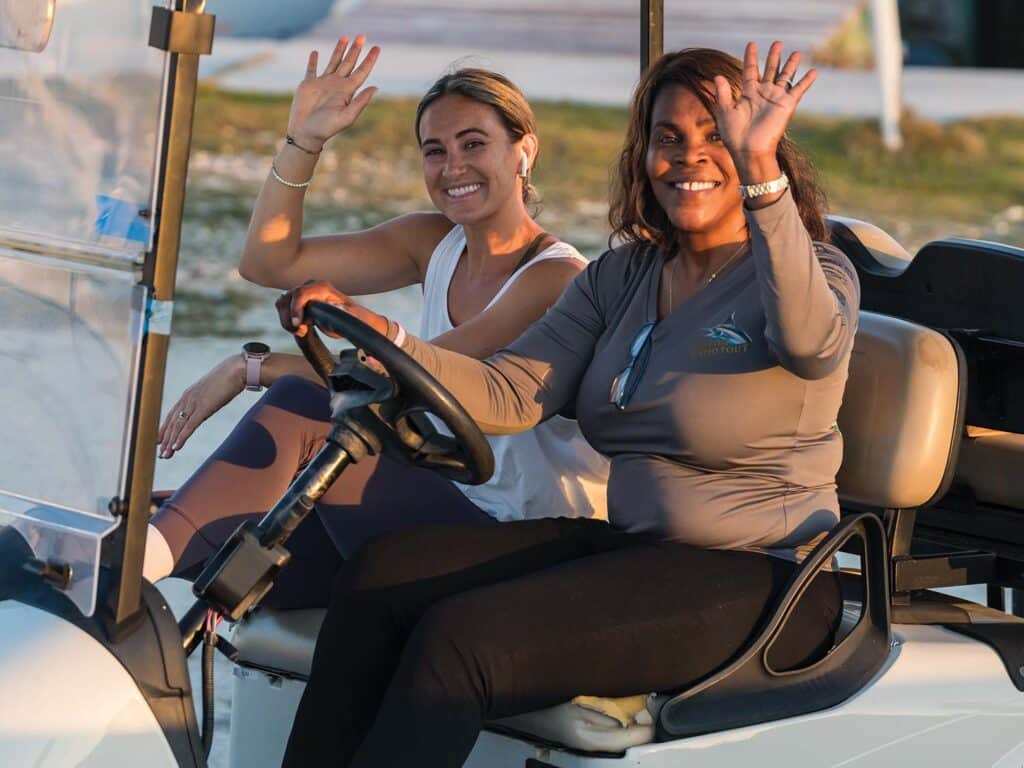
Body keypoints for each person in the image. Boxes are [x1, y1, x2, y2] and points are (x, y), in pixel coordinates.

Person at [279, 42, 859, 767]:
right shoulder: (625, 276)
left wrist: (760, 175)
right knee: (379, 577)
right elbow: (512, 390)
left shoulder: (814, 270)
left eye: (718, 136)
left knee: (462, 639)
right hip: (640, 550)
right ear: (643, 153)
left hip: (767, 578)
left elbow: (810, 344)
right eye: (669, 137)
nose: (690, 157)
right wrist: (384, 336)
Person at [142, 36, 609, 605]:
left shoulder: (554, 279)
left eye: (473, 143)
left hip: (519, 539)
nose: (453, 166)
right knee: (198, 519)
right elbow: (268, 262)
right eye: (434, 150)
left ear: (522, 151)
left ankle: (135, 567)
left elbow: (409, 383)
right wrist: (304, 141)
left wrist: (252, 368)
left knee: (302, 412)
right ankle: (96, 588)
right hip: (442, 497)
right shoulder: (431, 241)